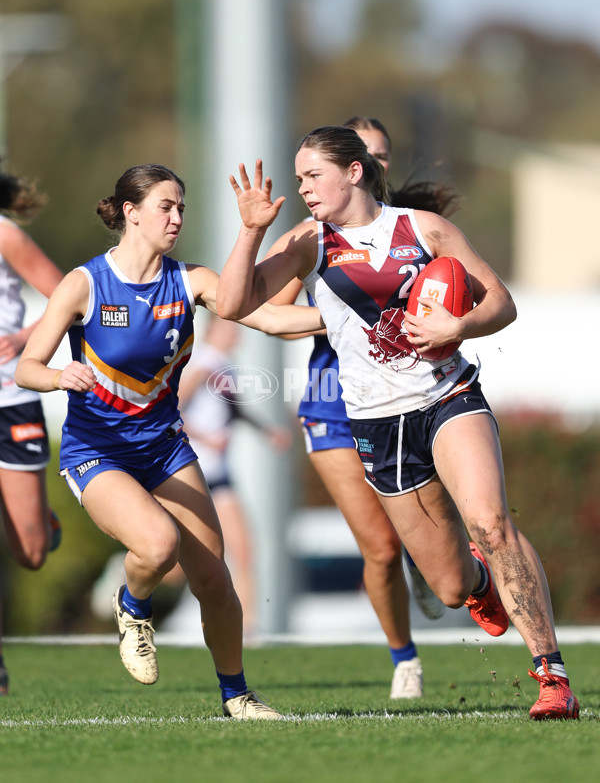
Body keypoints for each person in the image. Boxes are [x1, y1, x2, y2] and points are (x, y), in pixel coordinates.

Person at [216, 128, 580, 720]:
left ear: (353, 172)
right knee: (450, 588)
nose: (302, 187)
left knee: (489, 521)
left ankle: (551, 677)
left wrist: (456, 329)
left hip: (447, 396)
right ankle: (483, 582)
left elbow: (500, 303)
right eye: (300, 177)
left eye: (312, 175)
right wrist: (252, 229)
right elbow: (234, 304)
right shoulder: (310, 241)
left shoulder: (421, 229)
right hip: (377, 423)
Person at [15, 163, 322, 720]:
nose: (177, 217)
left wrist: (355, 320)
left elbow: (260, 316)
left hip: (165, 450)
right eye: (165, 206)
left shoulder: (188, 280)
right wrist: (60, 376)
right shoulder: (85, 283)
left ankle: (238, 698)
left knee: (214, 578)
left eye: (181, 206)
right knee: (157, 545)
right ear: (131, 213)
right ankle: (133, 607)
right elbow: (27, 368)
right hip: (97, 452)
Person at [268, 116, 456, 700]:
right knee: (378, 545)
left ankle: (438, 566)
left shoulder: (410, 228)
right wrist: (335, 318)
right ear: (350, 163)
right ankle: (405, 658)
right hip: (334, 401)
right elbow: (270, 312)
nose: (377, 161)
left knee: (435, 522)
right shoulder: (317, 231)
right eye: (367, 151)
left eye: (384, 153)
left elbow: (449, 299)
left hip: (411, 392)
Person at [174, 313, 292, 635]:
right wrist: (206, 437)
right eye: (230, 330)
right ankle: (124, 579)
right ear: (214, 330)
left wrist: (267, 432)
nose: (236, 337)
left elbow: (234, 409)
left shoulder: (225, 366)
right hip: (195, 472)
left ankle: (248, 628)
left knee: (243, 549)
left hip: (221, 474)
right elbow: (173, 411)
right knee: (175, 558)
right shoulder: (202, 364)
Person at [0, 163, 64, 696]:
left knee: (31, 553)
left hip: (12, 399)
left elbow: (65, 297)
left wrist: (23, 338)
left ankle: (40, 519)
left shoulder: (6, 236)